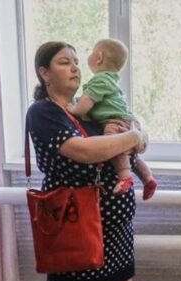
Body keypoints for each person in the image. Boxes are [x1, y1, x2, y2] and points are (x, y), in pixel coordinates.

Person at [28, 41, 161, 281]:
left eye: (76, 61)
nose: (75, 67)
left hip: (115, 217)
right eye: (64, 62)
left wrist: (133, 135)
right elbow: (86, 152)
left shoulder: (88, 107)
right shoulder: (43, 112)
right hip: (76, 220)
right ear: (44, 73)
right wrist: (134, 136)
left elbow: (131, 136)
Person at [67, 38, 157, 199]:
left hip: (115, 121)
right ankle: (148, 177)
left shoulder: (100, 80)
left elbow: (85, 105)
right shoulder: (111, 80)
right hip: (128, 120)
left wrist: (74, 109)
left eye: (91, 52)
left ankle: (125, 177)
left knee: (114, 145)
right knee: (129, 154)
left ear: (99, 57)